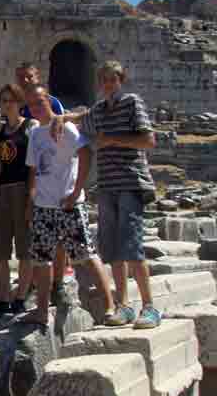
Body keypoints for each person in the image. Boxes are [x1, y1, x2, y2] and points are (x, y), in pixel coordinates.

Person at [50, 61, 160, 329]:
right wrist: (63, 118)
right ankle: (123, 306)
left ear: (121, 80)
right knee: (111, 249)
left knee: (132, 245)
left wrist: (114, 140)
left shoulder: (132, 103)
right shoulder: (100, 110)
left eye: (113, 79)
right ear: (100, 83)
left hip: (131, 182)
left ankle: (150, 307)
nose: (109, 84)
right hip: (107, 185)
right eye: (104, 80)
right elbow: (83, 117)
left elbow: (149, 141)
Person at [21, 85, 115, 326]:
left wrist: (76, 191)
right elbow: (33, 169)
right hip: (43, 205)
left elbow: (85, 153)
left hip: (69, 204)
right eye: (31, 104)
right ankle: (42, 310)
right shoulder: (34, 134)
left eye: (39, 102)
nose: (35, 107)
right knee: (41, 260)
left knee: (86, 255)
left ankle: (111, 305)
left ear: (49, 102)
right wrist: (31, 200)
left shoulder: (66, 127)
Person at [15, 62, 68, 299]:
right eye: (21, 78)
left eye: (29, 76)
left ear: (37, 77)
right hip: (26, 174)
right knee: (35, 234)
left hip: (51, 178)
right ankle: (35, 281)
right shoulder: (19, 107)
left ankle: (58, 282)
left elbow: (64, 127)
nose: (25, 81)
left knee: (56, 236)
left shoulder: (51, 102)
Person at [0, 85, 36, 316]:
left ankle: (21, 296)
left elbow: (34, 165)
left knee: (25, 247)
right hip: (3, 192)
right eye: (3, 100)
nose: (7, 104)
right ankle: (4, 297)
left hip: (23, 189)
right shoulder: (1, 130)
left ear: (20, 102)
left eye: (11, 100)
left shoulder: (30, 127)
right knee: (0, 248)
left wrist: (31, 198)